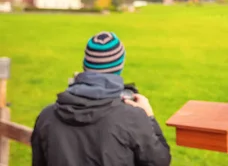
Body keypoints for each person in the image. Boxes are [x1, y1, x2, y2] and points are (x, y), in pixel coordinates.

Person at [31, 31, 172, 166]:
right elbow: (160, 161)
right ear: (120, 66)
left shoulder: (46, 116)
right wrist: (149, 117)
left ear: (85, 66)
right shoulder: (131, 117)